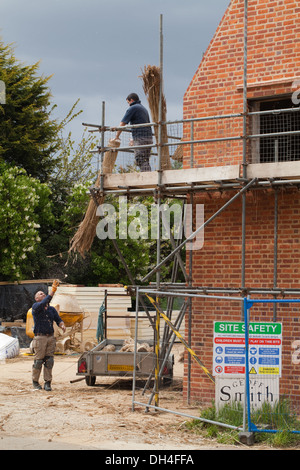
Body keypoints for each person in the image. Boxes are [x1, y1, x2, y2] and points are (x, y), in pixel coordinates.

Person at [31, 280, 66, 391]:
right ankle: (35, 382)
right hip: (40, 337)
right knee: (38, 361)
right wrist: (52, 292)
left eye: (44, 293)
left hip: (50, 337)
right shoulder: (36, 307)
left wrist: (62, 324)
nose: (43, 294)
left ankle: (48, 383)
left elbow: (58, 319)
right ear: (37, 299)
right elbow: (44, 302)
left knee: (49, 360)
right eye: (40, 294)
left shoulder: (51, 309)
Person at [112, 93, 153, 172]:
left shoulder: (133, 108)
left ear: (132, 100)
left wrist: (117, 136)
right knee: (145, 160)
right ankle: (148, 176)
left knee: (140, 159)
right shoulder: (143, 109)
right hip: (148, 138)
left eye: (128, 102)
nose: (128, 105)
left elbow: (123, 123)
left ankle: (146, 178)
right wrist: (134, 140)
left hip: (141, 138)